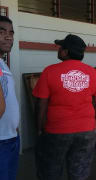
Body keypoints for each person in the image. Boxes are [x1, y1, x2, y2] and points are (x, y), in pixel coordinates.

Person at [33, 34, 96, 180]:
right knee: (79, 173)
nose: (58, 50)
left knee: (50, 173)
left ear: (66, 52)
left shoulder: (49, 71)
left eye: (60, 47)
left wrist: (40, 128)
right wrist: (94, 124)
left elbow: (41, 104)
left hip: (56, 131)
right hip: (86, 131)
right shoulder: (94, 73)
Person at [0, 15, 20, 180]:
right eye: (1, 32)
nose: (8, 36)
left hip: (10, 137)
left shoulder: (2, 63)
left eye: (11, 33)